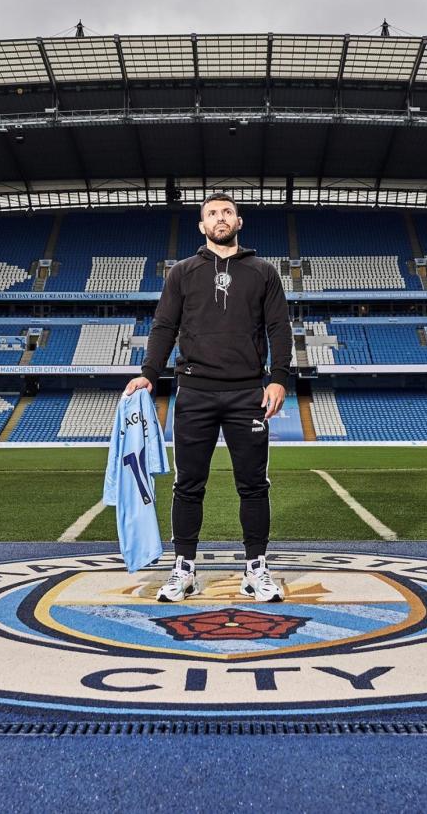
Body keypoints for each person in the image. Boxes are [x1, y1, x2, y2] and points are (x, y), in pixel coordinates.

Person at [124, 192, 292, 602]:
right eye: (212, 213)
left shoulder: (263, 272)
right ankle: (184, 569)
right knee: (188, 485)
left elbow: (279, 329)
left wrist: (279, 378)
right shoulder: (182, 272)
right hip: (195, 391)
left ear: (239, 222)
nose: (220, 218)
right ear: (202, 226)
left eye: (227, 212)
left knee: (253, 485)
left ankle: (256, 569)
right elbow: (164, 326)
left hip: (247, 394)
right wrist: (149, 374)